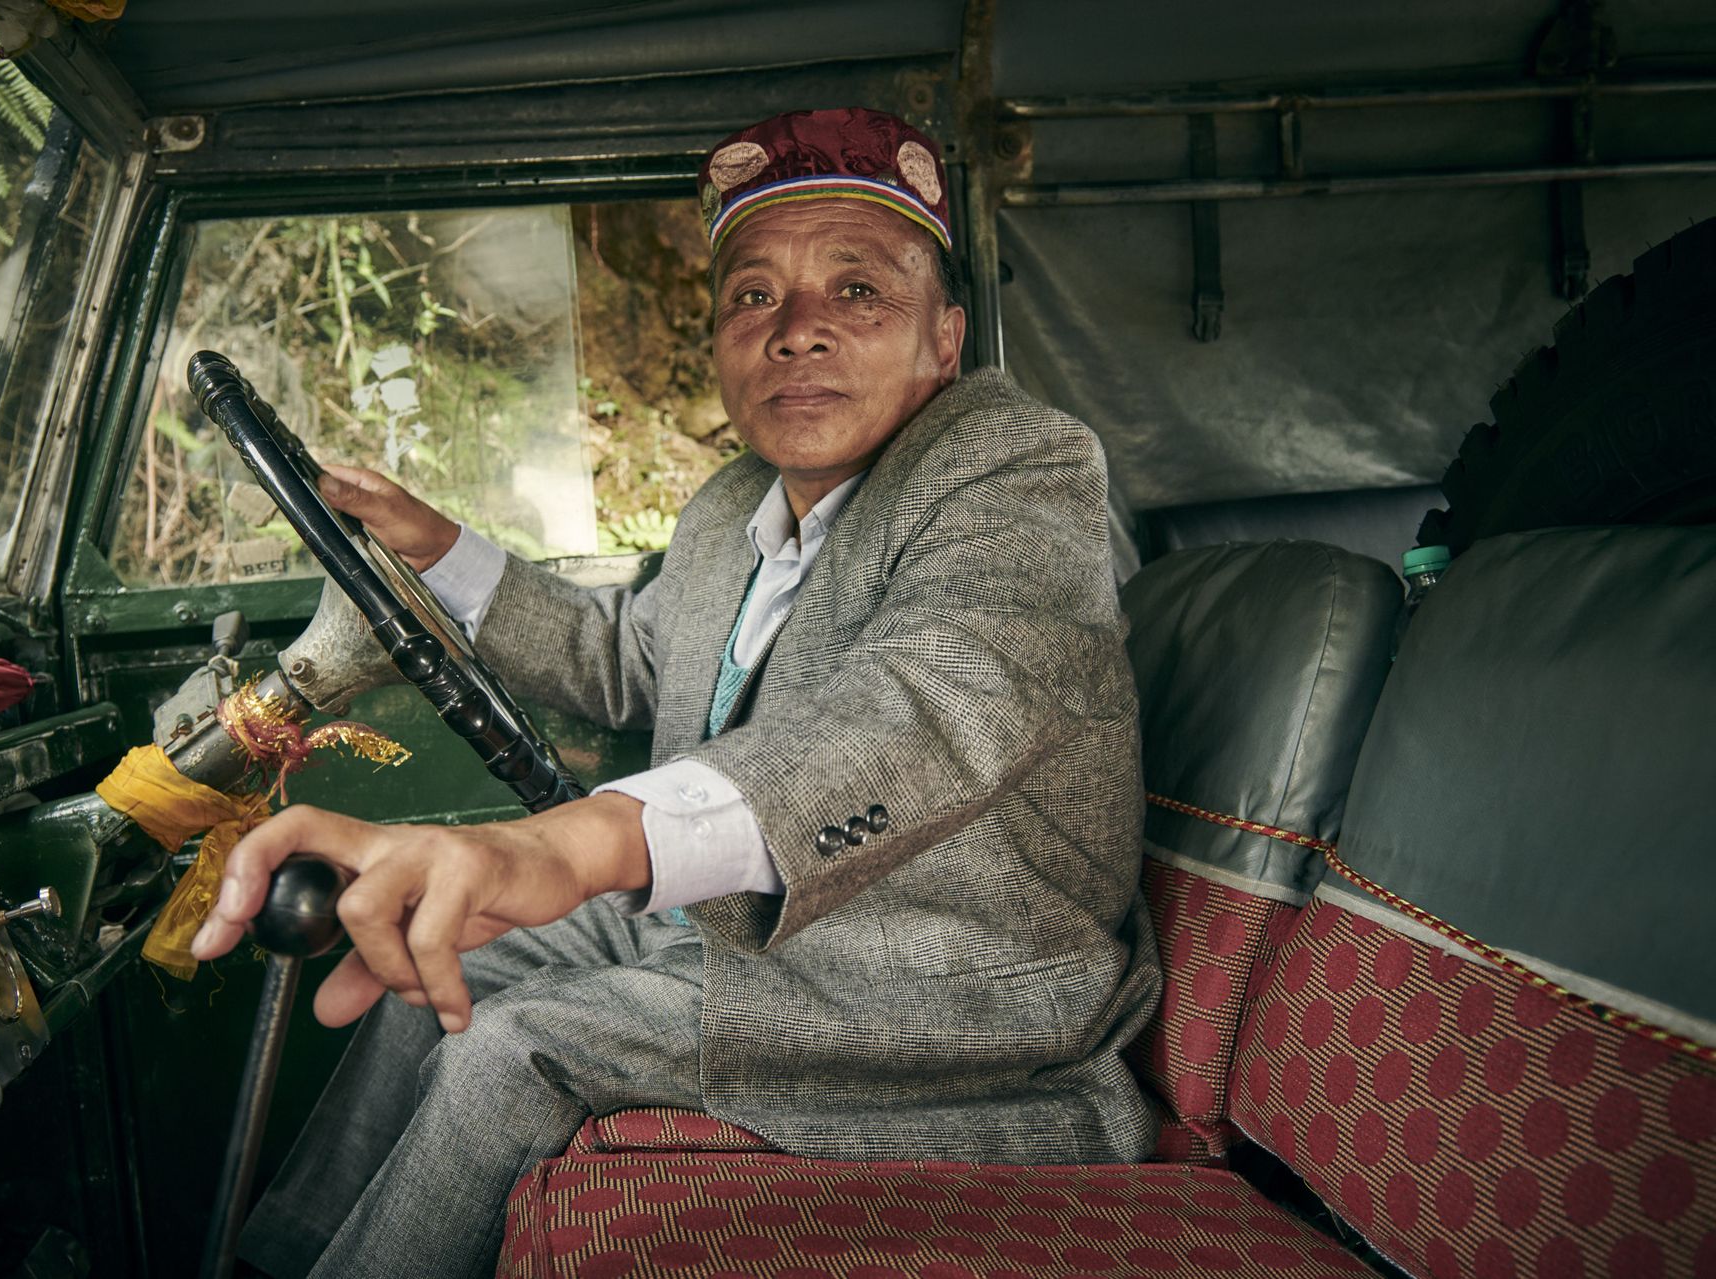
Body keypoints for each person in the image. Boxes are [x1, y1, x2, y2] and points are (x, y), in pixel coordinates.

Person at [191, 107, 1160, 1279]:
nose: (798, 331)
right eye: (756, 296)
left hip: (945, 981)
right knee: (417, 972)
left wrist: (572, 846)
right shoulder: (730, 509)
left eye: (857, 292)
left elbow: (930, 704)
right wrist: (432, 542)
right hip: (734, 934)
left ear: (943, 339)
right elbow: (623, 657)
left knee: (510, 1047)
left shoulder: (1017, 466)